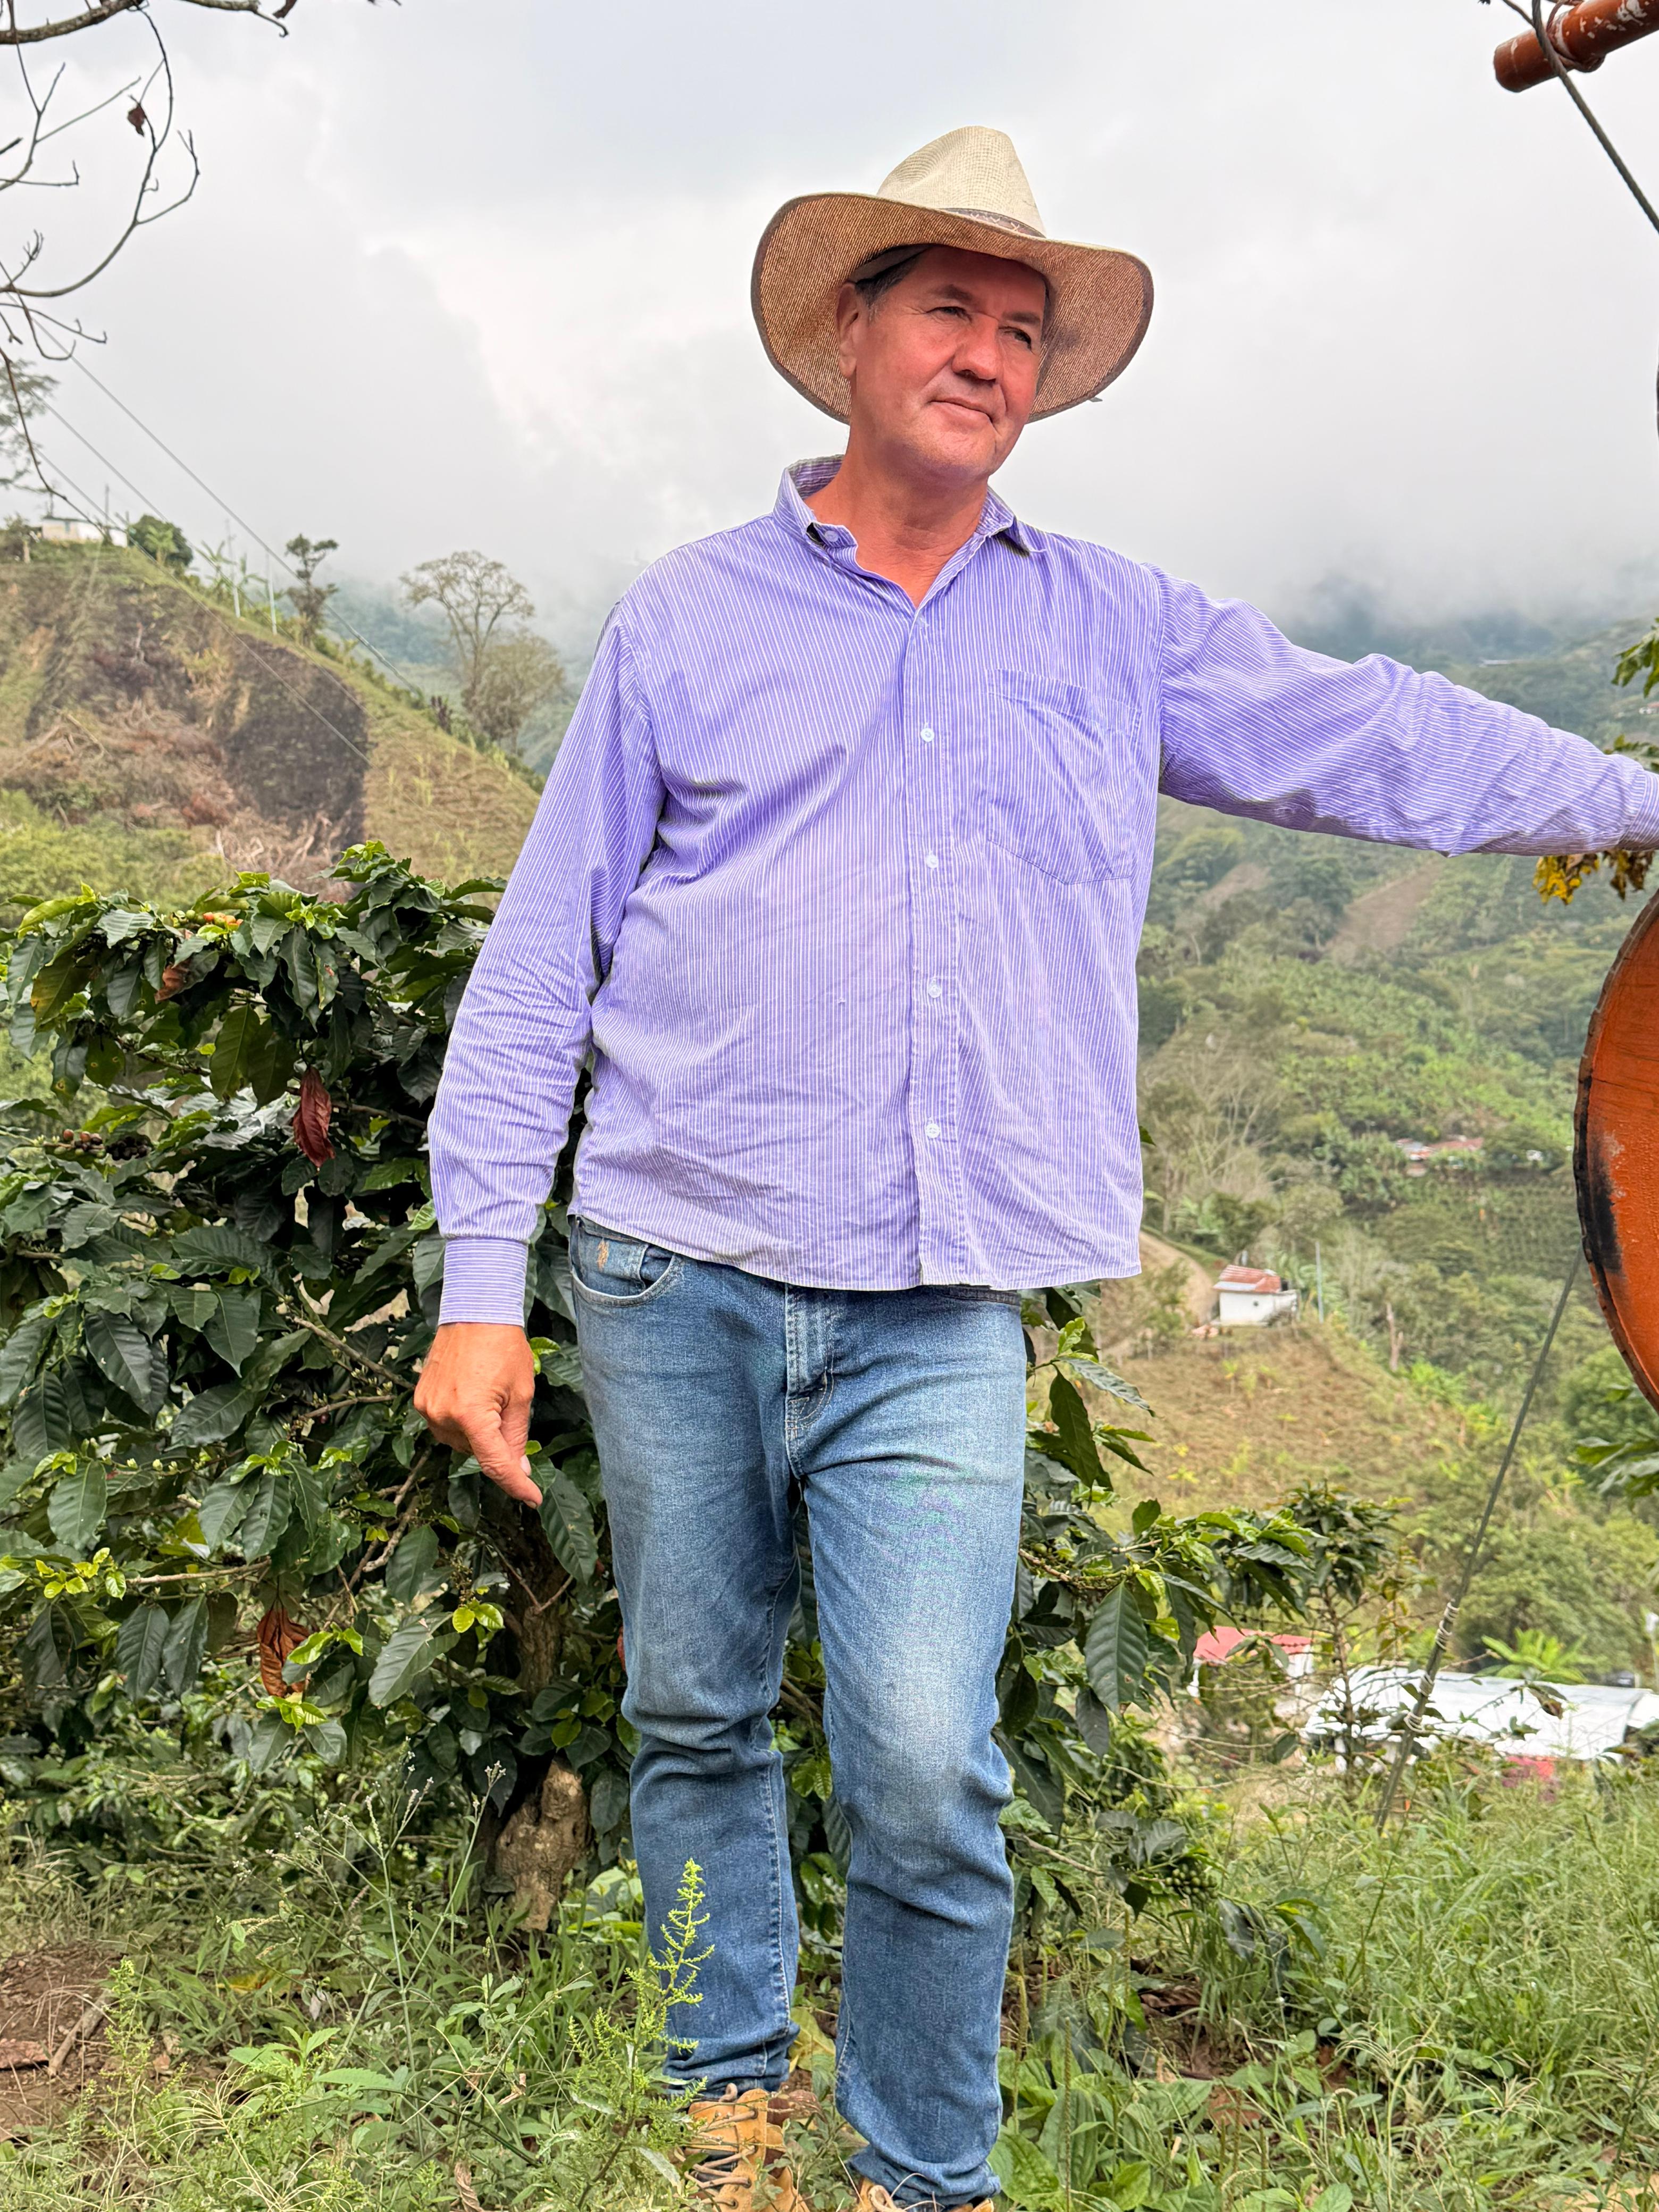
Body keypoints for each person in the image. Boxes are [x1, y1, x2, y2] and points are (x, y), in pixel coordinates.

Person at [414, 125, 1659, 2212]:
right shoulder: (684, 621)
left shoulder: (1113, 625)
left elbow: (1371, 734)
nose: (986, 349)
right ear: (847, 335)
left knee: (921, 1760)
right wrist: (478, 1279)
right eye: (946, 307)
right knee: (701, 1703)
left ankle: (926, 2175)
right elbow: (546, 963)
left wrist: (1638, 795)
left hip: (939, 1306)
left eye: (1023, 325)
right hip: (672, 1266)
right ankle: (729, 2103)